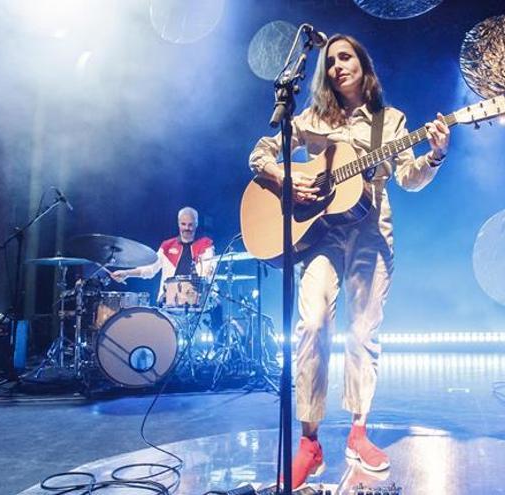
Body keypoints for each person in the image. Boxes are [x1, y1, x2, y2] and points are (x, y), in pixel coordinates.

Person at [249, 34, 450, 488]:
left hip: (370, 232)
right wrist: (285, 177)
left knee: (362, 332)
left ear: (363, 65)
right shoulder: (312, 116)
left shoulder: (390, 121)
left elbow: (408, 178)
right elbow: (259, 152)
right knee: (313, 324)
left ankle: (358, 431)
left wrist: (435, 155)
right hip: (320, 235)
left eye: (346, 57)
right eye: (330, 60)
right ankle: (310, 443)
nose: (337, 65)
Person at [111, 206, 216, 302]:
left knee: (217, 306)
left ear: (196, 224)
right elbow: (150, 269)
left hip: (196, 299)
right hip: (168, 300)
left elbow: (207, 272)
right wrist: (127, 273)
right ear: (178, 223)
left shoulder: (205, 244)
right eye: (183, 224)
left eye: (190, 224)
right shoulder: (167, 246)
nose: (186, 228)